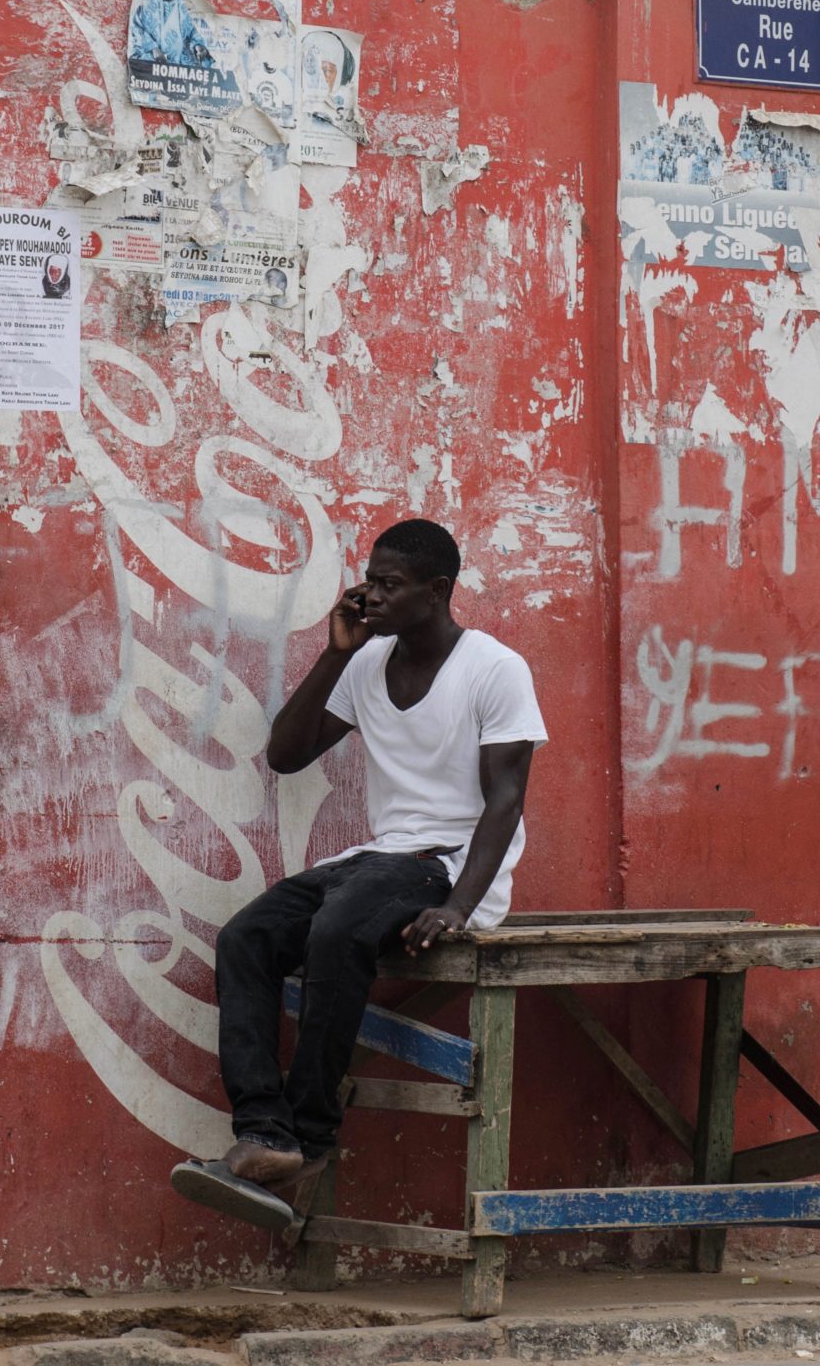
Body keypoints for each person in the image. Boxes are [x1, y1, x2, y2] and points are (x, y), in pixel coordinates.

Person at [171, 518, 547, 1231]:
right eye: (368, 580)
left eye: (388, 584)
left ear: (435, 592)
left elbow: (505, 799)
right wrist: (335, 655)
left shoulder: (494, 668)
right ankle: (266, 1136)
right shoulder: (368, 664)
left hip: (448, 865)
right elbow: (285, 755)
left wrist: (461, 907)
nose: (369, 595)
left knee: (335, 933)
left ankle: (309, 1139)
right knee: (246, 938)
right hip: (378, 860)